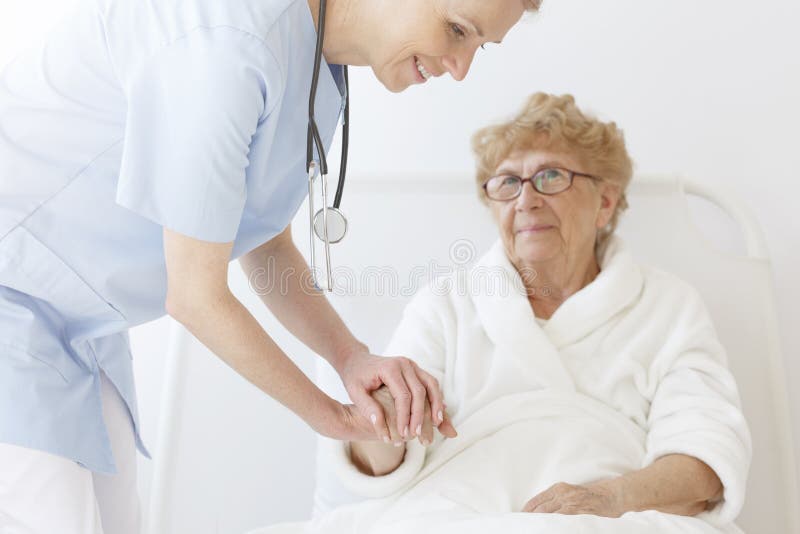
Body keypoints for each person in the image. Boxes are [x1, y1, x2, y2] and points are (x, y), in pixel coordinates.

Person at [0, 0, 539, 532]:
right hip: (14, 297)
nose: (461, 68)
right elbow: (195, 295)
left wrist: (350, 358)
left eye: (479, 47)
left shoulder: (313, 59)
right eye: (456, 29)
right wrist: (330, 415)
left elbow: (260, 238)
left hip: (77, 326)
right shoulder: (231, 41)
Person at [308, 93, 751, 534]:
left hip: (615, 517)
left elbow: (705, 463)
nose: (525, 200)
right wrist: (384, 418)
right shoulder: (446, 302)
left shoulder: (667, 306)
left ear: (605, 203)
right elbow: (384, 461)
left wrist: (608, 499)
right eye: (507, 183)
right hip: (454, 509)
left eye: (551, 176)